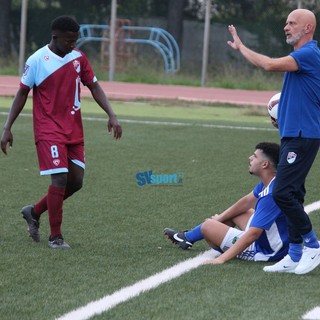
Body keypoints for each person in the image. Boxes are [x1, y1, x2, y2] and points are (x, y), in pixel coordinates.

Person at [0, 16, 122, 249]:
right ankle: (55, 237)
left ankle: (33, 211)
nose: (73, 45)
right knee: (60, 178)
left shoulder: (78, 58)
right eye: (69, 41)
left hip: (73, 128)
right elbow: (22, 93)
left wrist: (112, 114)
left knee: (76, 182)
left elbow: (94, 86)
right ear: (55, 37)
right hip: (48, 129)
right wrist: (7, 128)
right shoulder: (37, 60)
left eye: (76, 40)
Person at [226, 9, 320, 274]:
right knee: (295, 194)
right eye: (286, 22)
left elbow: (267, 64)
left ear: (308, 27)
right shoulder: (303, 58)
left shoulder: (308, 54)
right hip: (295, 135)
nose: (286, 27)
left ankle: (313, 246)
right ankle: (294, 253)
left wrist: (242, 47)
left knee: (282, 193)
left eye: (292, 23)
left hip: (303, 137)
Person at [164, 142, 290, 264]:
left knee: (208, 226)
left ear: (265, 164)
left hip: (268, 252)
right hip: (278, 242)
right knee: (240, 212)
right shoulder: (272, 181)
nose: (250, 158)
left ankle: (191, 237)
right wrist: (220, 218)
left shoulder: (270, 195)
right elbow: (246, 202)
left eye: (255, 156)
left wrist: (221, 259)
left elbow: (253, 234)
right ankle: (186, 237)